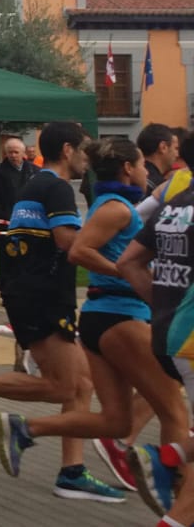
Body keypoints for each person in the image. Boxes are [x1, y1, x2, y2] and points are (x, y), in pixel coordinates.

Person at [0, 137, 186, 510]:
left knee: (115, 421)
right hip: (121, 314)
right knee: (174, 410)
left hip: (106, 317)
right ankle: (175, 491)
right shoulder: (115, 208)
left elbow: (151, 204)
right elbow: (80, 250)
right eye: (140, 165)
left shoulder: (119, 205)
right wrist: (127, 273)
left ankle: (27, 429)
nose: (145, 170)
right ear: (127, 168)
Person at [0, 120, 122, 502]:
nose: (87, 159)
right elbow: (70, 244)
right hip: (44, 296)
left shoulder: (34, 185)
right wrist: (123, 266)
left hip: (32, 293)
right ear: (68, 149)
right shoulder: (54, 188)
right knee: (64, 386)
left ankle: (72, 470)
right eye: (84, 149)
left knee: (81, 385)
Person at [118, 147, 194, 523]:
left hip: (167, 334)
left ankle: (172, 456)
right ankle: (168, 460)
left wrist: (166, 305)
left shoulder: (175, 203)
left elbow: (128, 261)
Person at [0, 136, 39, 224]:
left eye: (16, 152)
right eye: (10, 152)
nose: (13, 155)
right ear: (6, 153)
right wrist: (1, 216)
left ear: (23, 153)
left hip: (31, 221)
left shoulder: (35, 171)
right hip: (6, 222)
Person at [138, 123, 180, 191]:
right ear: (163, 147)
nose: (177, 155)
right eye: (176, 148)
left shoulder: (133, 179)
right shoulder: (159, 189)